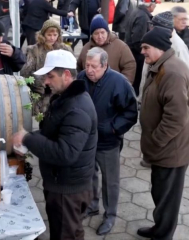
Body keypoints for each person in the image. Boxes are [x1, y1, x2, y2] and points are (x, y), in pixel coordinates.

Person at [13, 49, 98, 240]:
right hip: (63, 185)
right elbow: (53, 132)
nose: (46, 82)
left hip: (68, 191)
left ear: (66, 74)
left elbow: (65, 153)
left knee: (64, 234)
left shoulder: (77, 109)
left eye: (50, 76)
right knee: (71, 232)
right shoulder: (64, 98)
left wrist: (28, 139)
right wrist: (30, 140)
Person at [78, 47, 138, 235]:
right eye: (87, 65)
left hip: (108, 141)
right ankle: (92, 205)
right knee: (90, 174)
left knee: (110, 181)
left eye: (94, 66)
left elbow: (131, 112)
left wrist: (112, 128)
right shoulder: (81, 78)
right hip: (86, 140)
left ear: (105, 65)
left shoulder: (119, 82)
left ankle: (110, 215)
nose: (89, 70)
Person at [137, 26, 189, 240]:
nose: (142, 52)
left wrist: (156, 141)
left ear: (159, 47)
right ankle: (160, 229)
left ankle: (163, 235)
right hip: (163, 150)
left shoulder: (173, 72)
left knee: (167, 198)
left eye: (145, 47)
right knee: (160, 193)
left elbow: (176, 117)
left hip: (171, 151)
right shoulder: (161, 66)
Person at [20, 19, 72, 115]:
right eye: (49, 35)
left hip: (59, 93)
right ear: (43, 34)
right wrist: (40, 83)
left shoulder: (64, 50)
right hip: (41, 95)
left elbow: (71, 70)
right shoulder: (34, 50)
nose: (52, 38)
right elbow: (25, 73)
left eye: (55, 35)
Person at [78, 15, 136, 84]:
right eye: (96, 33)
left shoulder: (121, 46)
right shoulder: (86, 48)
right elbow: (78, 67)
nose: (100, 36)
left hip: (113, 88)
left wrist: (122, 85)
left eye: (102, 32)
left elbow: (130, 65)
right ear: (92, 35)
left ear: (107, 32)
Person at [125, 0, 160, 96]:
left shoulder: (138, 12)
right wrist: (145, 53)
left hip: (133, 53)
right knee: (136, 83)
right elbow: (137, 40)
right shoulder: (143, 17)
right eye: (155, 4)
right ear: (151, 5)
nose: (156, 6)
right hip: (137, 56)